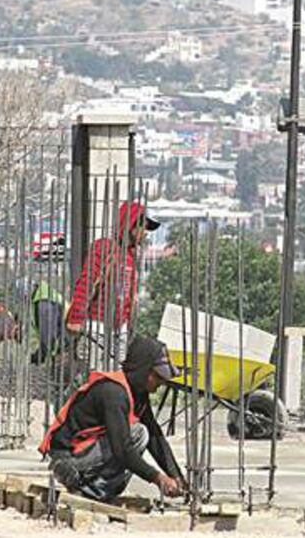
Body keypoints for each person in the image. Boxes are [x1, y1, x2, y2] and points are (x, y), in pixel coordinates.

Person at [39, 336, 186, 502]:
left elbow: (155, 438)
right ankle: (92, 491)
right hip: (66, 459)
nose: (161, 382)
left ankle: (99, 489)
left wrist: (176, 476)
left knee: (144, 433)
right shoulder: (113, 393)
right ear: (143, 370)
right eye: (157, 376)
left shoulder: (137, 393)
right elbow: (122, 449)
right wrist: (158, 478)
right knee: (138, 434)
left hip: (86, 451)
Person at [67, 201, 159, 366]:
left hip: (119, 330)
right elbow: (86, 283)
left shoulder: (131, 257)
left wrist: (128, 324)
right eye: (142, 228)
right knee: (93, 377)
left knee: (114, 378)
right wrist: (76, 317)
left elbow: (129, 298)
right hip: (97, 326)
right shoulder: (104, 248)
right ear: (131, 226)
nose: (145, 234)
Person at [14, 279, 66, 364]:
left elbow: (49, 335)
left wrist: (39, 356)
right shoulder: (42, 296)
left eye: (24, 298)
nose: (24, 301)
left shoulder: (44, 304)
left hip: (64, 346)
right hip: (60, 345)